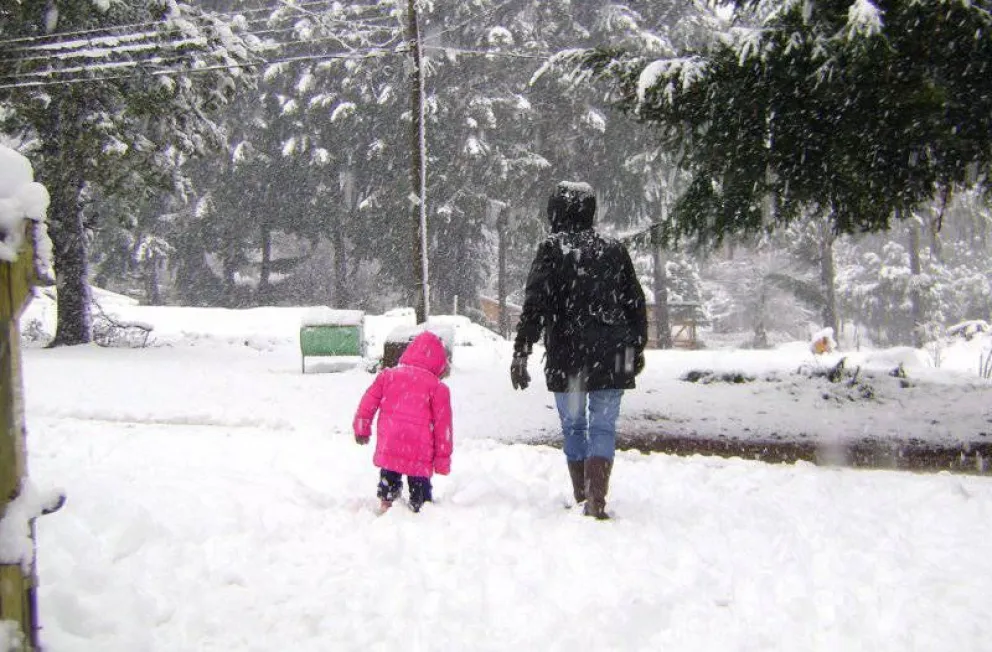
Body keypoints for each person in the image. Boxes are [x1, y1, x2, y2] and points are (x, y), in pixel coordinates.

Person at [510, 181, 647, 519]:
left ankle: (582, 493)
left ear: (555, 212)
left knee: (574, 425)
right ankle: (596, 499)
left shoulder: (552, 249)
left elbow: (535, 304)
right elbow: (635, 301)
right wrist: (637, 346)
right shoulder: (614, 249)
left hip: (568, 355)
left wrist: (522, 350)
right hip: (615, 353)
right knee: (604, 426)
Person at [353, 330, 453, 513]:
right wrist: (442, 460)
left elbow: (367, 403)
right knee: (419, 484)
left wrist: (362, 428)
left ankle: (387, 501)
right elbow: (443, 428)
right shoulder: (437, 388)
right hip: (419, 447)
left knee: (390, 471)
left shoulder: (388, 376)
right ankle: (420, 504)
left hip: (391, 440)